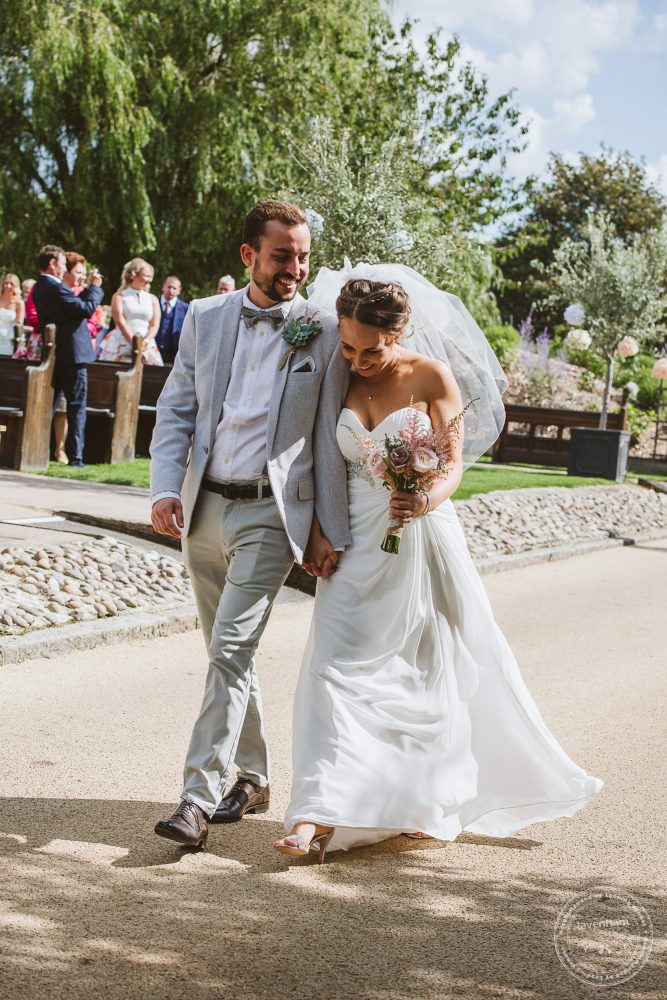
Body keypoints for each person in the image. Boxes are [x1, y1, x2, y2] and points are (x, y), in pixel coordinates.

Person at [273, 266, 604, 863]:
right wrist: (318, 530)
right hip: (353, 541)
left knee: (425, 671)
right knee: (332, 669)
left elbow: (452, 462)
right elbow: (320, 456)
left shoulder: (431, 374)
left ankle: (421, 800)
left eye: (370, 348)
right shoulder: (334, 371)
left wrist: (424, 496)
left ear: (400, 332)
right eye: (348, 345)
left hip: (420, 532)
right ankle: (314, 812)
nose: (357, 358)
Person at [150, 200, 351, 849]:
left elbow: (326, 437)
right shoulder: (204, 318)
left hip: (272, 511)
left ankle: (195, 799)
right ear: (248, 256)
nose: (294, 267)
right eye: (281, 255)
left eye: (302, 256)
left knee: (232, 649)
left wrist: (327, 526)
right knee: (224, 655)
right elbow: (176, 408)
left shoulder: (322, 331)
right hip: (202, 508)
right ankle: (256, 776)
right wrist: (162, 487)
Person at [31, 244, 104, 467]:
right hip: (72, 353)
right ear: (52, 264)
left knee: (51, 405)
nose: (64, 268)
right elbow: (85, 309)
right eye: (62, 263)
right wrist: (95, 287)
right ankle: (76, 458)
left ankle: (40, 451)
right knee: (76, 406)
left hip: (56, 353)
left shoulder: (39, 286)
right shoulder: (54, 287)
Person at [99, 258, 163, 365]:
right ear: (134, 275)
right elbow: (120, 321)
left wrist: (145, 342)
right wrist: (134, 343)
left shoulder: (153, 298)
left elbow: (154, 325)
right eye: (146, 276)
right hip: (123, 340)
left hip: (146, 343)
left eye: (150, 276)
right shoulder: (119, 296)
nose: (149, 280)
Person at [63, 252, 105, 346]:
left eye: (84, 274)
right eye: (78, 273)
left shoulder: (83, 291)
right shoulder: (57, 291)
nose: (82, 277)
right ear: (65, 271)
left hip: (83, 343)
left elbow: (93, 323)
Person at [156, 275, 188, 364]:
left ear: (179, 290)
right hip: (153, 350)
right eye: (169, 287)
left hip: (173, 354)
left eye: (174, 288)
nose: (171, 291)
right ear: (163, 287)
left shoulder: (185, 308)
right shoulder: (153, 302)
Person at [0, 273, 25, 355]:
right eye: (6, 283)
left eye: (11, 284)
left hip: (10, 337)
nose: (8, 286)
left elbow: (19, 324)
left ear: (16, 286)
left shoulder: (19, 303)